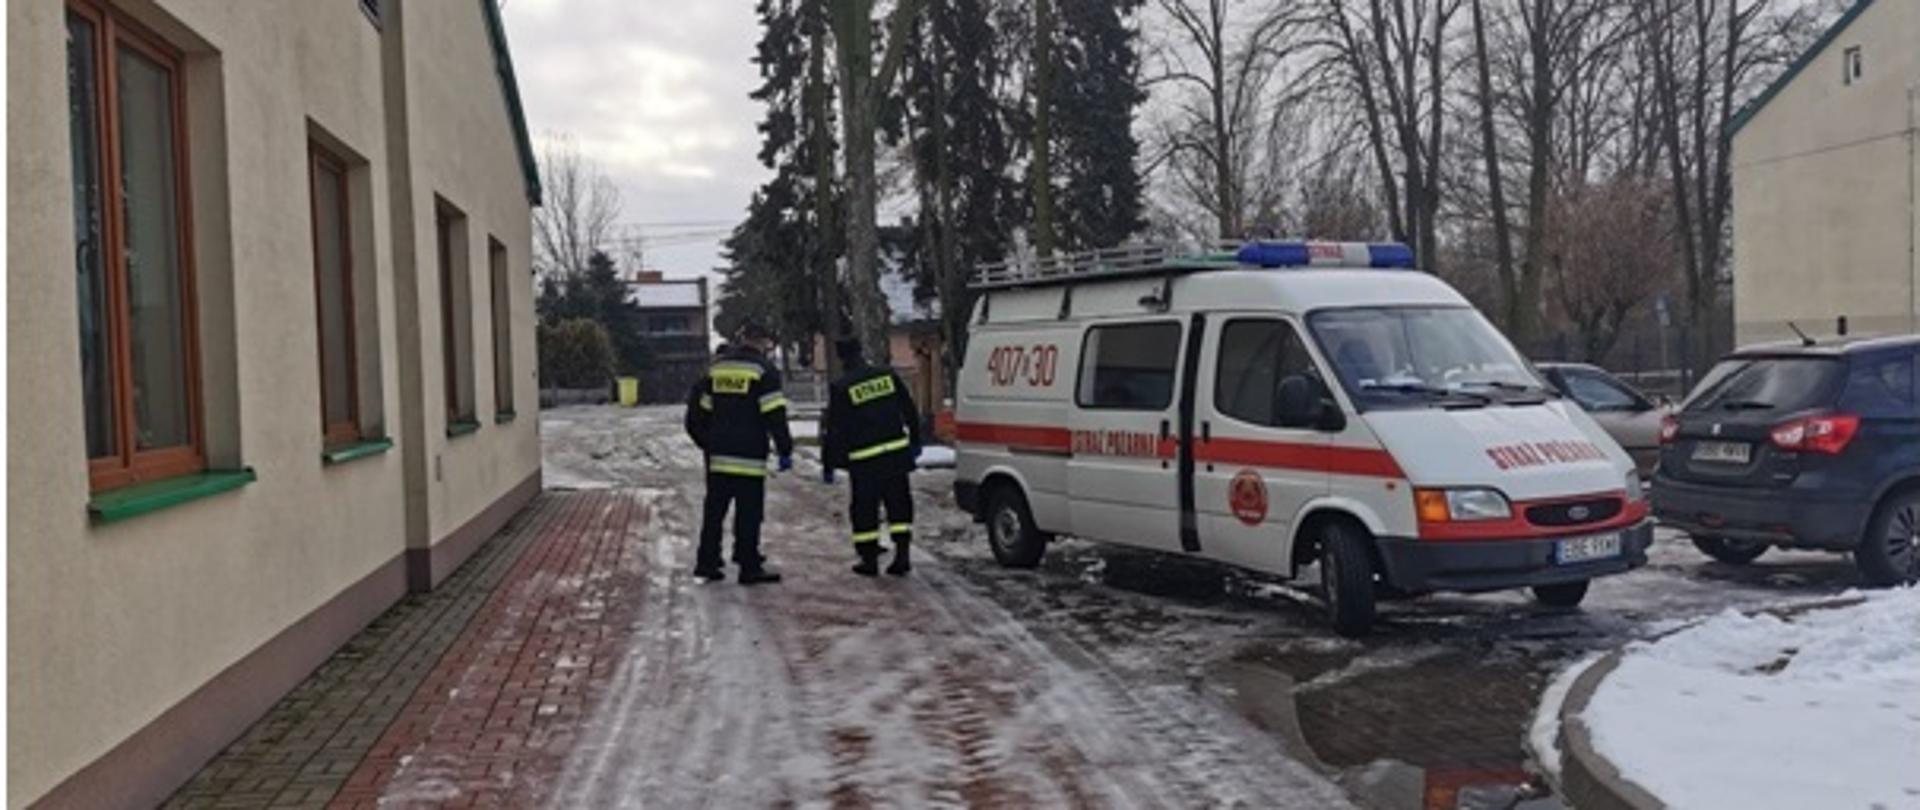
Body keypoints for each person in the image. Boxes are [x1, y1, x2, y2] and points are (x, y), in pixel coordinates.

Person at [684, 322, 793, 584]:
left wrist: (709, 443)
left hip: (718, 456)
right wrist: (784, 448)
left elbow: (698, 414)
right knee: (749, 512)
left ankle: (706, 563)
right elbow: (773, 413)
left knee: (714, 511)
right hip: (749, 455)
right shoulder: (763, 371)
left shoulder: (716, 369)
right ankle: (748, 565)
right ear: (763, 342)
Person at [822, 338, 922, 576]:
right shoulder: (886, 375)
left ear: (841, 357)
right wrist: (915, 440)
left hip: (865, 461)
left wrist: (829, 463)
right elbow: (908, 409)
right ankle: (902, 555)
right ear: (861, 352)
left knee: (865, 509)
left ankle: (869, 561)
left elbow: (835, 429)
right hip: (896, 455)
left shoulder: (842, 386)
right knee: (899, 505)